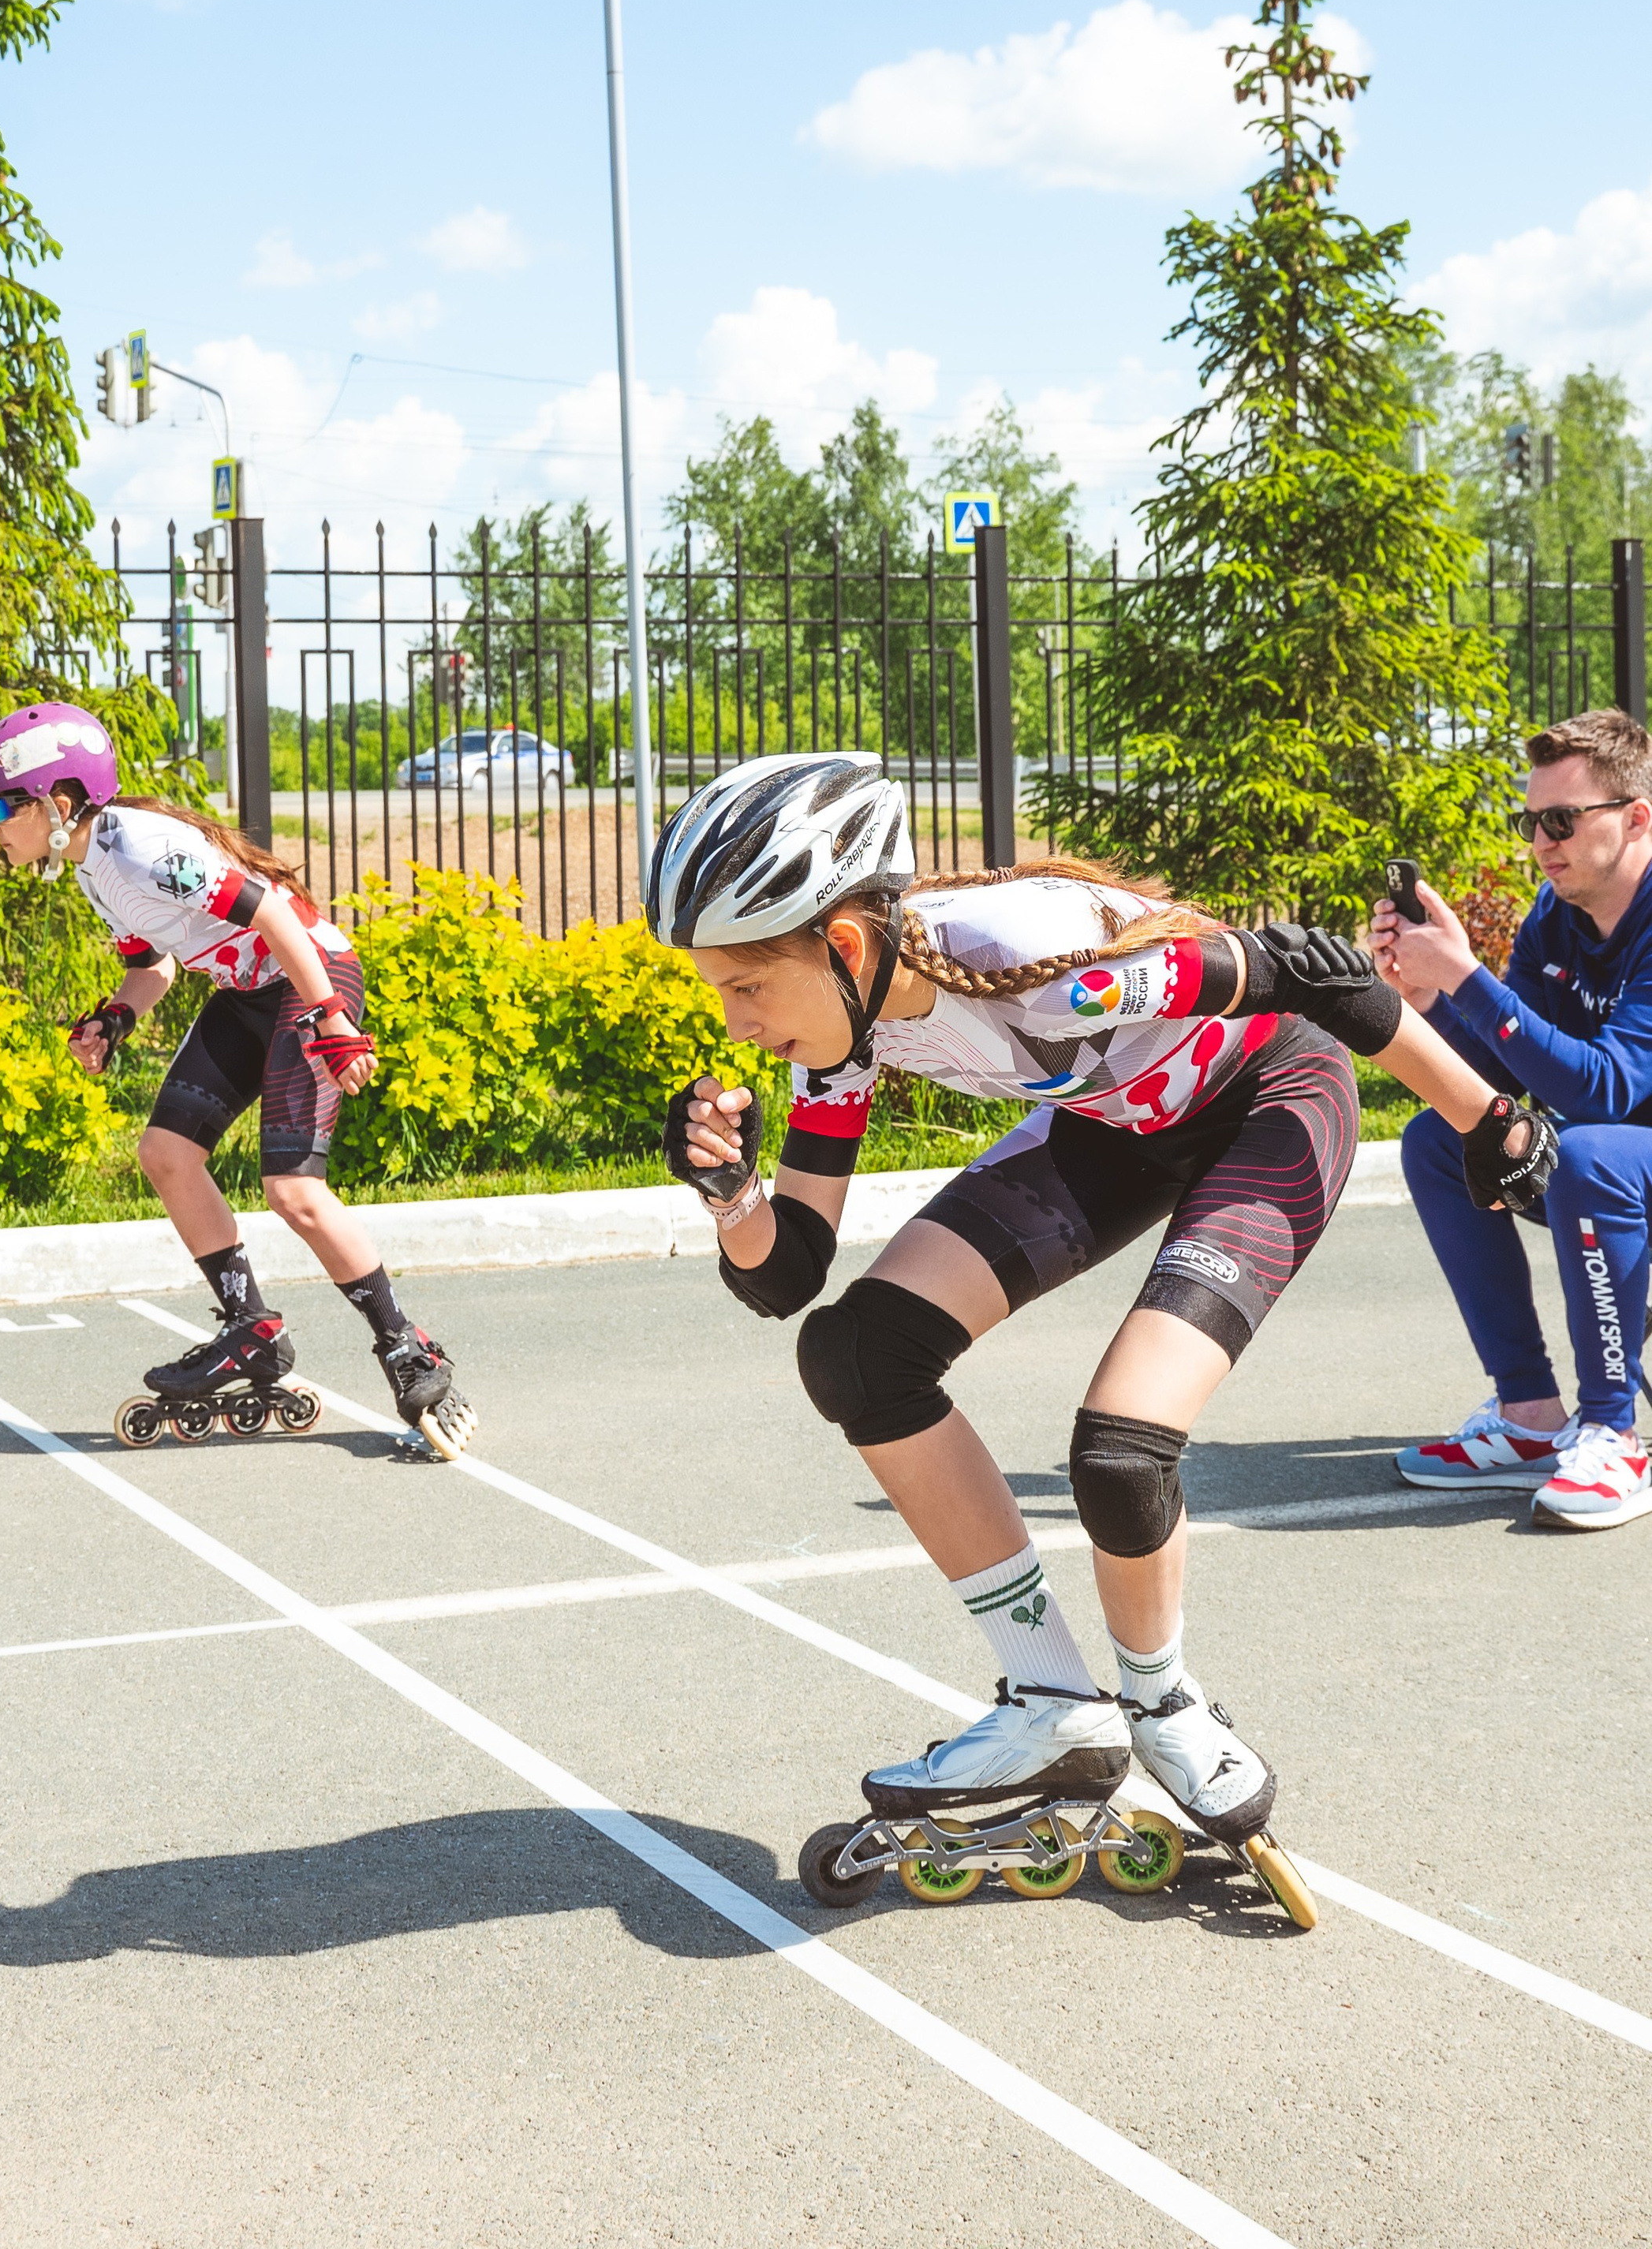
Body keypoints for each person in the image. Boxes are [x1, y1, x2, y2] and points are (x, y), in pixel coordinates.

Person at [649, 752, 1553, 1906]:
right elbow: (790, 1277)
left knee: (1119, 1449)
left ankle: (1164, 1702)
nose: (732, 1022)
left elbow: (1317, 980)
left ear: (846, 945)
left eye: (745, 987)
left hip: (1268, 1101)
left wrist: (1492, 1123)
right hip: (1114, 1124)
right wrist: (730, 1197)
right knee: (857, 1354)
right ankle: (1053, 1705)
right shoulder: (856, 1022)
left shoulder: (1039, 964)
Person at [0, 703, 475, 1456]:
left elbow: (274, 916)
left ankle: (407, 1347)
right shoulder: (93, 869)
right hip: (247, 993)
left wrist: (332, 1019)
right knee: (166, 1155)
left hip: (306, 974)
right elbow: (153, 965)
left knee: (293, 1191)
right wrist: (114, 1019)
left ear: (58, 803)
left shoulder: (140, 848)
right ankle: (251, 1331)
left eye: (5, 805)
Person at [1374, 706, 1652, 1530]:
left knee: (1590, 1154)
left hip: (1616, 1153)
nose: (1541, 841)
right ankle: (1529, 1414)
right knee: (1439, 1140)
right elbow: (1498, 1063)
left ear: (1635, 817)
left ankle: (1613, 1429)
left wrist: (1466, 980)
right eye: (1531, 821)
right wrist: (1424, 1001)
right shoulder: (1553, 915)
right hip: (1620, 1154)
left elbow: (1603, 1088)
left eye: (1561, 820)